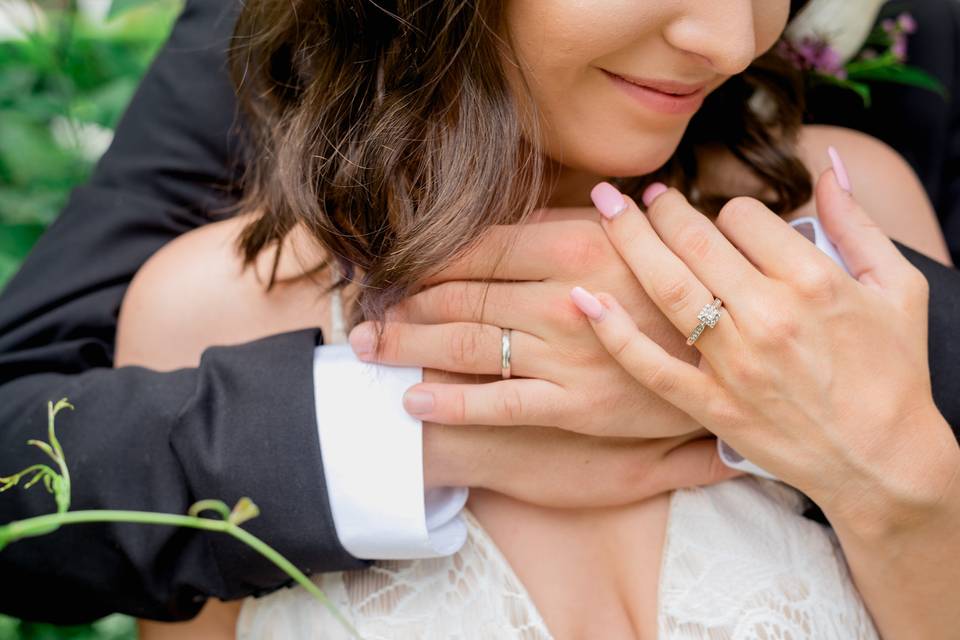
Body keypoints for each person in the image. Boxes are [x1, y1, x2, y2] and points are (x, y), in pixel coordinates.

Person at [0, 0, 958, 630]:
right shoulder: (209, 311)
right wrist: (412, 424)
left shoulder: (851, 215)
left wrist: (883, 463)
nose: (734, 38)